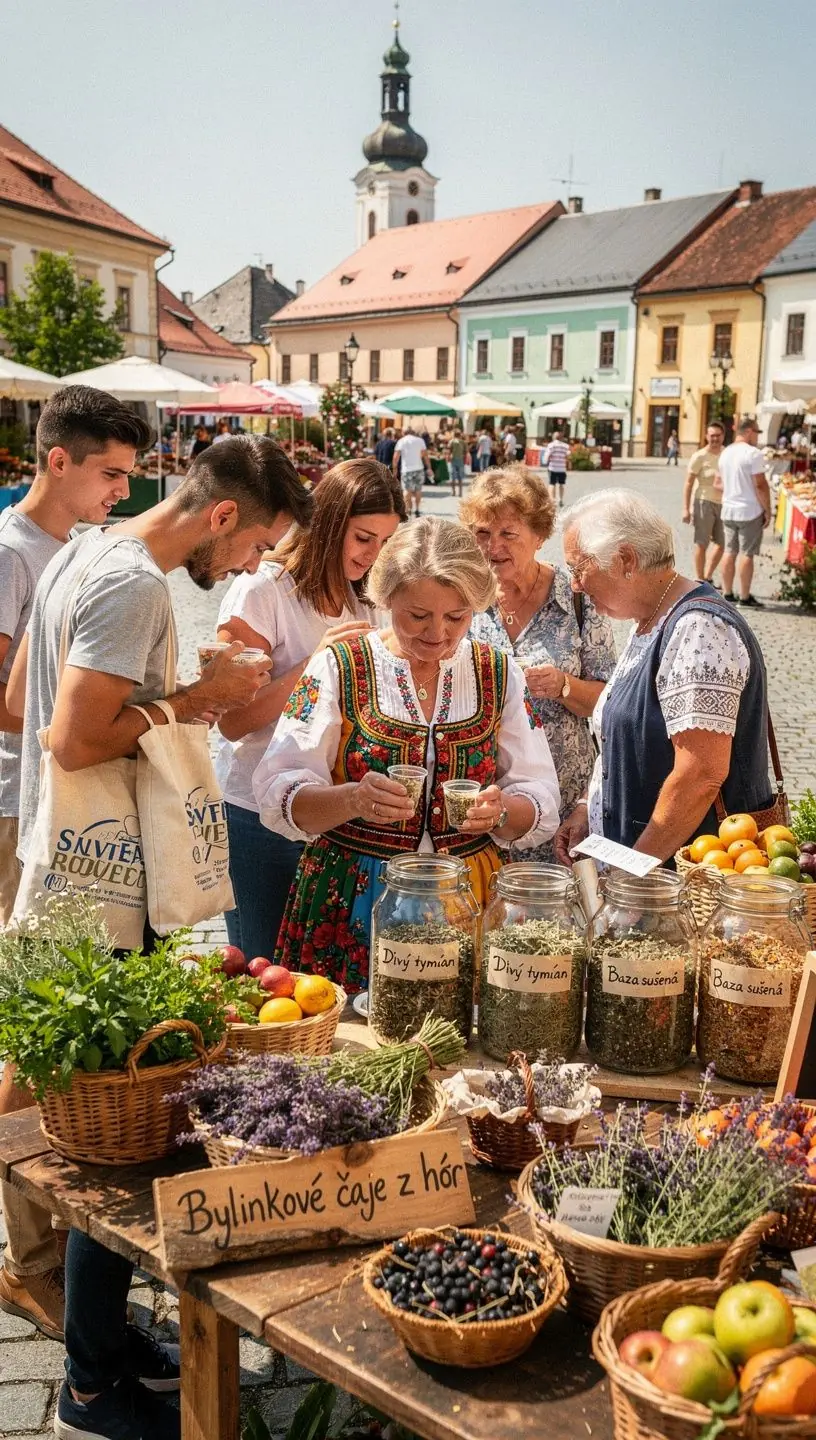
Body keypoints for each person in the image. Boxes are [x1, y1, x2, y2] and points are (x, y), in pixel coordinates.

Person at [8, 435, 312, 1440]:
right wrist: (200, 699)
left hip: (66, 860)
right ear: (223, 514)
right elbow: (68, 734)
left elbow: (20, 702)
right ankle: (94, 1384)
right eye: (254, 545)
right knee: (121, 1136)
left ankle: (106, 1335)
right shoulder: (134, 582)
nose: (242, 571)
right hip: (101, 884)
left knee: (92, 1117)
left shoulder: (81, 550)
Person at [253, 518, 561, 992]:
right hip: (352, 896)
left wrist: (500, 813)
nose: (437, 633)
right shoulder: (340, 665)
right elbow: (279, 792)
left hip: (467, 895)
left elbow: (539, 792)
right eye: (418, 615)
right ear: (386, 597)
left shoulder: (498, 673)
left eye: (457, 617)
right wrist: (352, 800)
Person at [0, 387, 152, 1346]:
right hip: (14, 807)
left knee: (48, 1025)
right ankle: (29, 1262)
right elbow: (13, 704)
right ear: (57, 460)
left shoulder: (80, 553)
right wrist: (119, 717)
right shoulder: (13, 553)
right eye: (110, 474)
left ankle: (54, 1241)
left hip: (61, 814)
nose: (119, 494)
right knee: (24, 1032)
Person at [215, 459, 405, 958]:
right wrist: (315, 664)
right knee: (262, 973)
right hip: (257, 816)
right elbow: (231, 719)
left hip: (339, 818)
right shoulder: (261, 589)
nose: (374, 555)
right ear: (328, 522)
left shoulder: (367, 598)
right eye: (364, 537)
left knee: (323, 984)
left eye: (386, 542)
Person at [552, 489, 774, 868]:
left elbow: (700, 774)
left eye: (579, 568)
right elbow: (616, 732)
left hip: (686, 880)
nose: (575, 585)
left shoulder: (699, 630)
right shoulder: (651, 620)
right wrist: (588, 808)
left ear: (625, 560)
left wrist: (636, 869)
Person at [462, 467, 615, 861]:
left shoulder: (577, 601)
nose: (492, 546)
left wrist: (564, 685)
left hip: (564, 804)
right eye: (482, 533)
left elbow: (611, 704)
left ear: (539, 536)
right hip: (480, 803)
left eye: (507, 534)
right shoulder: (462, 599)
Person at [717, 416, 771, 608]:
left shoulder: (726, 453)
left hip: (729, 508)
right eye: (756, 432)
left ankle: (727, 592)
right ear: (748, 431)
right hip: (749, 510)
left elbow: (719, 483)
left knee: (730, 551)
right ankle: (745, 596)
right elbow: (761, 485)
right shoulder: (753, 453)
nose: (757, 436)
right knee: (747, 553)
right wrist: (768, 510)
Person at [682, 421, 726, 585]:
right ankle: (700, 580)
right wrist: (685, 509)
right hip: (703, 502)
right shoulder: (699, 456)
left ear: (723, 436)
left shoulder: (726, 454)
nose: (715, 438)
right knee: (702, 542)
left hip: (724, 503)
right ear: (707, 436)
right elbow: (688, 483)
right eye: (712, 435)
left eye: (718, 435)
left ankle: (708, 575)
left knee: (721, 544)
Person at [393, 426, 429, 518]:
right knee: (418, 489)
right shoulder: (420, 440)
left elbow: (396, 457)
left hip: (406, 469)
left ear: (404, 432)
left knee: (406, 490)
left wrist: (395, 469)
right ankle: (417, 509)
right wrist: (429, 467)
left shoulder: (401, 441)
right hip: (419, 468)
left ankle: (408, 510)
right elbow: (425, 455)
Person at [541, 429, 570, 506]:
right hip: (562, 468)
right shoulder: (565, 446)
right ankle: (560, 499)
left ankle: (552, 500)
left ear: (554, 437)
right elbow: (568, 456)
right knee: (561, 484)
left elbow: (547, 456)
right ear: (561, 438)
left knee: (552, 484)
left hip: (553, 468)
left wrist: (545, 461)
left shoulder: (551, 445)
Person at [448, 428, 466, 496]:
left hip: (454, 460)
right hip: (461, 460)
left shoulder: (451, 441)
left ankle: (453, 492)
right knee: (460, 477)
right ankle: (460, 492)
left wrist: (449, 457)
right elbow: (466, 452)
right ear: (460, 435)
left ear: (454, 435)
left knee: (453, 477)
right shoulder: (463, 442)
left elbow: (449, 450)